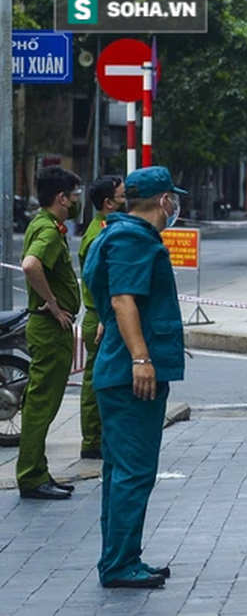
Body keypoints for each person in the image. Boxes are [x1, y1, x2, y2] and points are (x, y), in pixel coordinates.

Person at [83, 166, 187, 588]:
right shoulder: (131, 238)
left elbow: (108, 295)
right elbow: (123, 297)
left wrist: (112, 323)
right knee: (134, 471)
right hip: (131, 375)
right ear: (164, 201)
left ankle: (120, 557)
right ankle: (120, 564)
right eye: (173, 199)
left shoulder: (115, 233)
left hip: (118, 370)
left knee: (121, 470)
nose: (175, 205)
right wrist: (141, 358)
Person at [16, 167, 82, 500]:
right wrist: (54, 306)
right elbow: (30, 265)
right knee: (41, 405)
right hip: (49, 328)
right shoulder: (49, 230)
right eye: (73, 197)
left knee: (40, 403)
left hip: (47, 328)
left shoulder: (42, 223)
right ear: (61, 197)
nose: (75, 203)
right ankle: (30, 476)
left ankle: (38, 471)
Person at [77, 175, 126, 461]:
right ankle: (92, 440)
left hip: (102, 314)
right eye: (122, 197)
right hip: (100, 316)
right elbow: (101, 281)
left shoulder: (106, 229)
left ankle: (98, 436)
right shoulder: (98, 235)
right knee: (97, 381)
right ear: (108, 203)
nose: (126, 200)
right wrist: (106, 319)